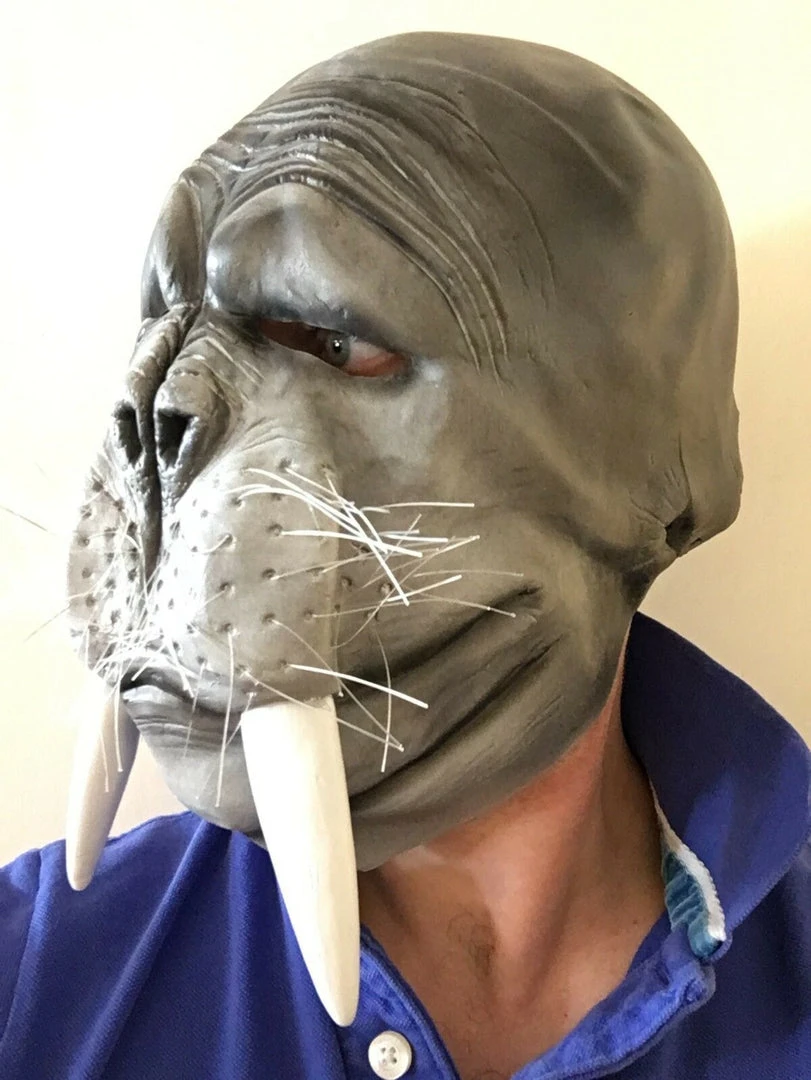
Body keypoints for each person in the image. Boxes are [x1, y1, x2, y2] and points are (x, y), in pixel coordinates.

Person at [1, 33, 809, 1080]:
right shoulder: (37, 979)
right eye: (169, 317)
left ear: (665, 454)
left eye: (335, 341)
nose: (159, 405)